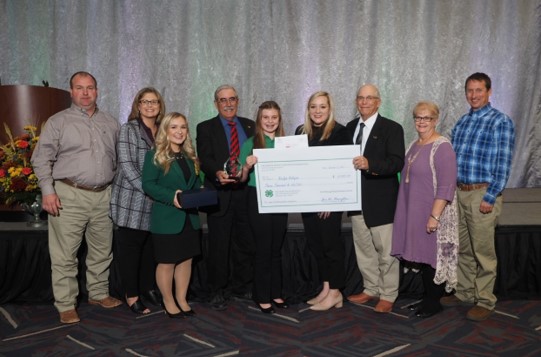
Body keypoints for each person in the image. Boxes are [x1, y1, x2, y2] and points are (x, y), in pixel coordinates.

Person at [31, 71, 122, 324]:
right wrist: (48, 191)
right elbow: (41, 159)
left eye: (90, 87)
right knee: (64, 255)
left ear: (97, 90)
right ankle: (66, 304)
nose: (85, 93)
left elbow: (117, 160)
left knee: (102, 251)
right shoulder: (58, 122)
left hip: (104, 194)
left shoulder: (111, 122)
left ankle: (99, 293)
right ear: (71, 91)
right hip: (68, 195)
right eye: (79, 88)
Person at [441, 72, 515, 321]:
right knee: (464, 247)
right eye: (469, 91)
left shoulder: (500, 122)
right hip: (460, 192)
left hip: (482, 192)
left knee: (483, 250)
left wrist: (491, 196)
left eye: (479, 91)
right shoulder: (462, 121)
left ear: (489, 91)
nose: (473, 95)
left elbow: (503, 164)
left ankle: (485, 299)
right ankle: (465, 292)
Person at [391, 101, 459, 318]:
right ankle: (427, 298)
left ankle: (433, 302)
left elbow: (447, 185)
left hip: (432, 212)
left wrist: (434, 216)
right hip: (414, 210)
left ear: (435, 120)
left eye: (427, 118)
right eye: (418, 118)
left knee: (432, 257)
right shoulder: (413, 144)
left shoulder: (442, 146)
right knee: (422, 254)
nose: (422, 122)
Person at [346, 84, 405, 313]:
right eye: (360, 98)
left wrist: (371, 164)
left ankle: (388, 294)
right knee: (364, 249)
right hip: (355, 199)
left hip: (382, 200)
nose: (364, 102)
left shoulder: (392, 128)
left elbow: (396, 162)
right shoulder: (350, 127)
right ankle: (371, 288)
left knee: (387, 251)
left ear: (378, 102)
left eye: (369, 98)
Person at [196, 85, 255, 310]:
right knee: (219, 244)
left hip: (246, 192)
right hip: (220, 194)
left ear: (238, 101)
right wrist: (216, 173)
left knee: (245, 242)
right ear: (216, 103)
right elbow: (205, 157)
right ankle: (217, 289)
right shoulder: (206, 127)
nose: (228, 104)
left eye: (232, 99)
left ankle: (242, 286)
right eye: (223, 100)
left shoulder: (250, 125)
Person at [110, 87, 165, 314]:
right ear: (138, 105)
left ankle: (148, 287)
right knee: (131, 252)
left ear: (160, 106)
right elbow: (127, 166)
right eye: (145, 102)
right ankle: (131, 295)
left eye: (154, 102)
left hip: (157, 202)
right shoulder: (129, 129)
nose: (150, 106)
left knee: (151, 250)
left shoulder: (163, 130)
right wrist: (151, 189)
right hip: (132, 199)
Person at [142, 112, 202, 318]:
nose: (179, 131)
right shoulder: (155, 155)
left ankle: (182, 299)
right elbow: (148, 185)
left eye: (183, 127)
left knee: (186, 260)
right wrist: (172, 196)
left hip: (190, 218)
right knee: (167, 262)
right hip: (167, 218)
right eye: (174, 127)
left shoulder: (189, 156)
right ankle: (168, 301)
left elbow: (192, 185)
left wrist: (202, 191)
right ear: (166, 130)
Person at [295, 91, 350, 311]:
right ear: (308, 109)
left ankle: (336, 292)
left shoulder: (340, 132)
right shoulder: (300, 132)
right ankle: (327, 288)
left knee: (331, 246)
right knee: (316, 245)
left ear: (330, 109)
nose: (318, 111)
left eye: (322, 107)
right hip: (308, 200)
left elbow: (343, 169)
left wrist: (330, 200)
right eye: (313, 107)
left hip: (329, 201)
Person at [239, 101, 289, 314]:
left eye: (274, 117)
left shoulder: (287, 143)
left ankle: (275, 292)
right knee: (263, 247)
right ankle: (261, 295)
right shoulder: (250, 142)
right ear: (260, 119)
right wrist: (247, 166)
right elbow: (240, 178)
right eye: (265, 117)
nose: (270, 121)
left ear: (279, 120)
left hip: (281, 198)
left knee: (276, 248)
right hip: (257, 198)